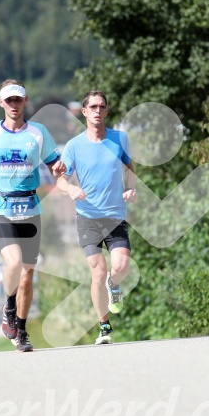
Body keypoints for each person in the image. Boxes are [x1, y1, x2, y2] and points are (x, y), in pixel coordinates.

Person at [0, 79, 66, 352]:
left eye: (18, 99)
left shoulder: (38, 132)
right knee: (12, 263)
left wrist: (60, 167)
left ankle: (20, 331)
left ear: (25, 101)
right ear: (1, 103)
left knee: (27, 276)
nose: (14, 104)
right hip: (1, 206)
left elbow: (53, 163)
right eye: (9, 100)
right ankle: (8, 308)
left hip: (30, 208)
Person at [52, 90, 137, 345]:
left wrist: (131, 187)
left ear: (106, 112)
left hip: (115, 216)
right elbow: (60, 181)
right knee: (98, 272)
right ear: (85, 112)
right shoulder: (75, 146)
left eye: (102, 107)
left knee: (120, 268)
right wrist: (71, 189)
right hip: (87, 217)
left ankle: (115, 285)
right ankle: (104, 326)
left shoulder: (119, 139)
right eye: (93, 107)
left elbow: (130, 168)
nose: (98, 111)